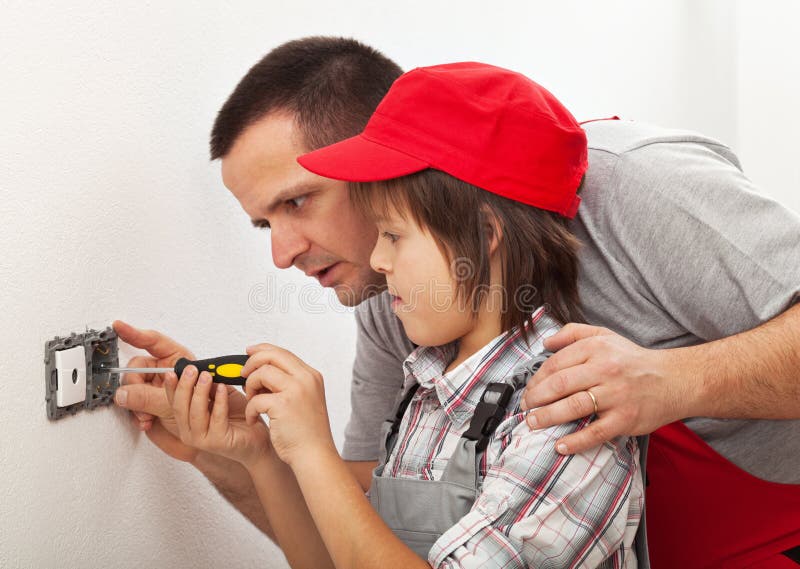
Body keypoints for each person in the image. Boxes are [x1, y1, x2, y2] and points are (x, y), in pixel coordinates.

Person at [112, 36, 800, 568]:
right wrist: (243, 449)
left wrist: (672, 381)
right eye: (266, 222)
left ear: (384, 165)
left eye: (298, 202)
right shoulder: (396, 306)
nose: (281, 253)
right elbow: (366, 521)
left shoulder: (635, 186)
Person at [176, 61, 643, 568]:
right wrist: (262, 455)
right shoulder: (423, 387)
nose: (377, 260)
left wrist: (315, 452)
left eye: (394, 236)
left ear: (485, 236)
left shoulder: (565, 413)